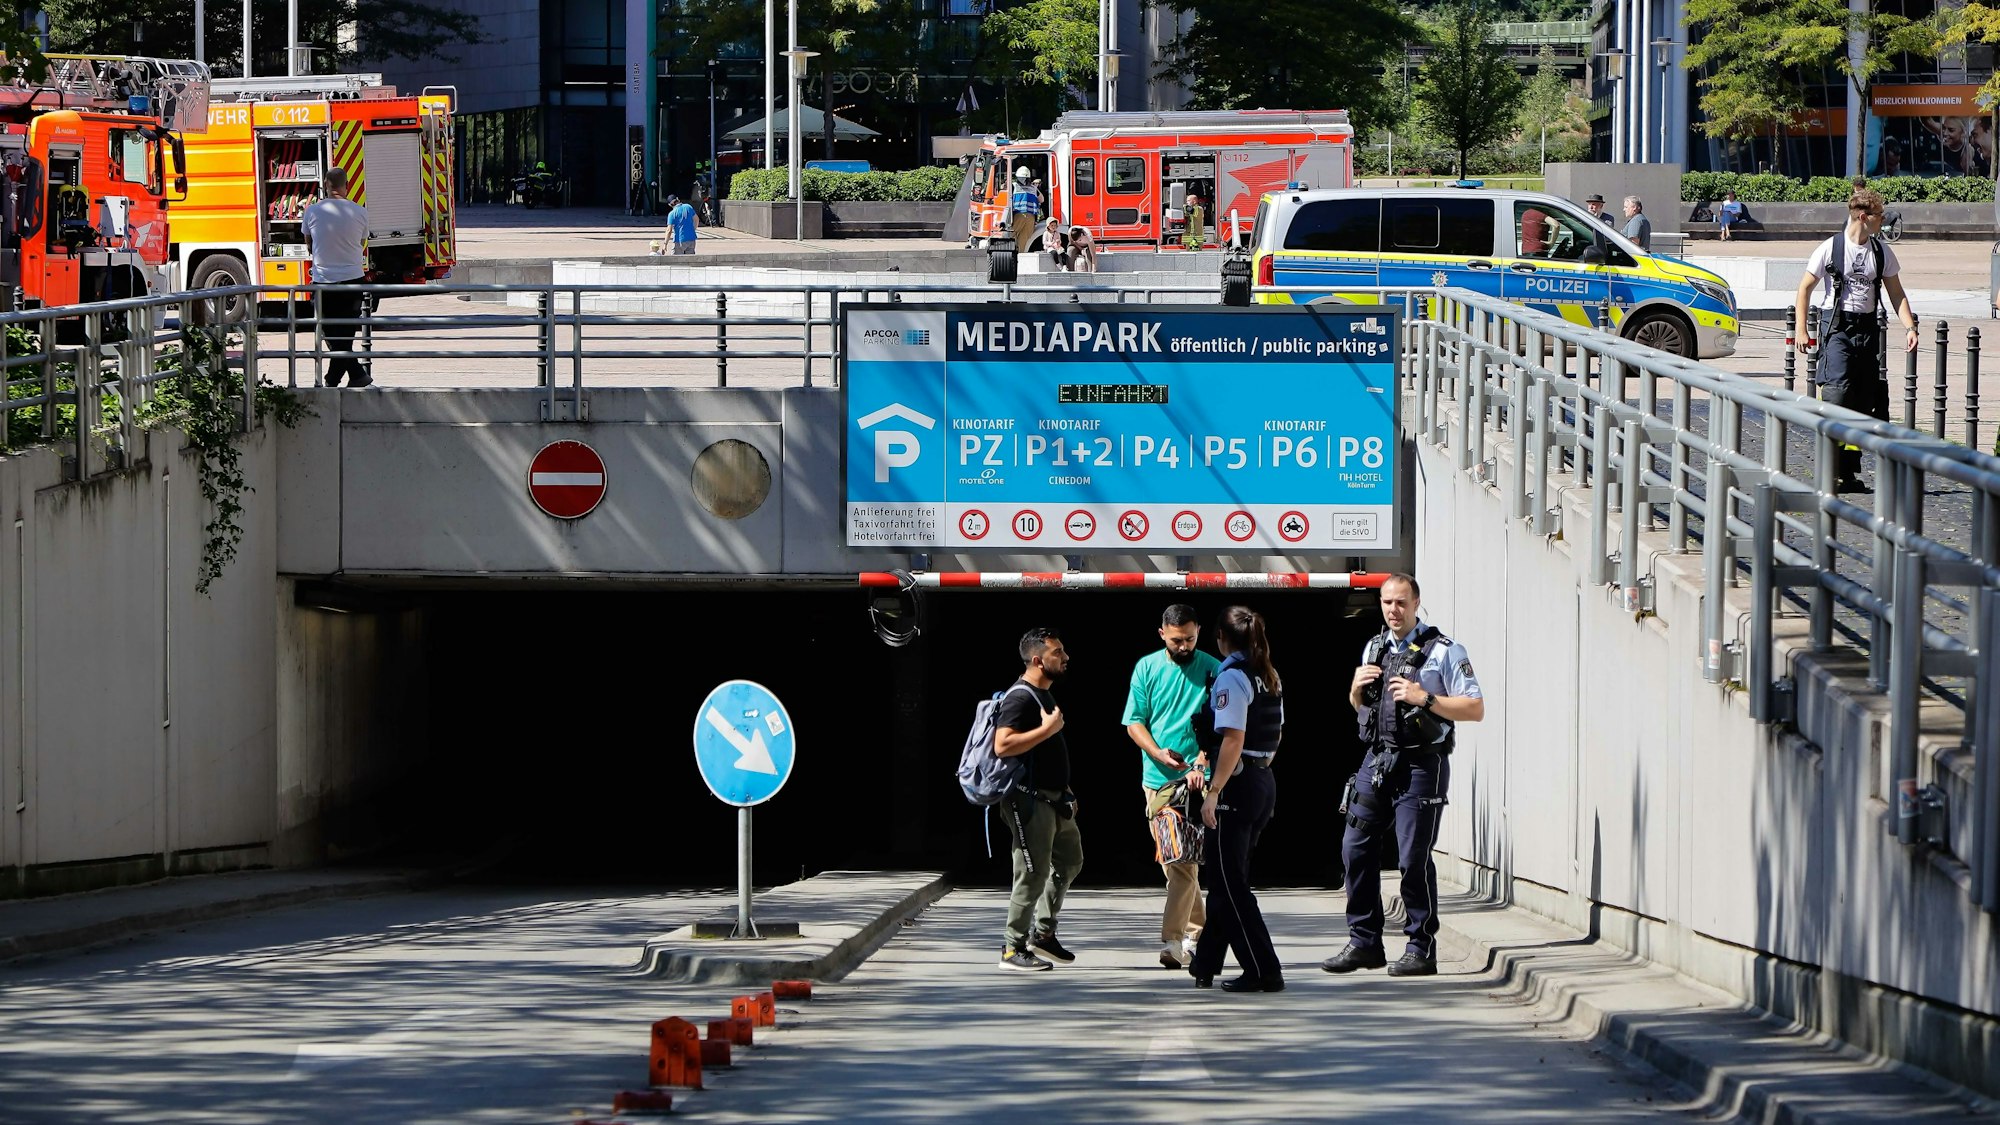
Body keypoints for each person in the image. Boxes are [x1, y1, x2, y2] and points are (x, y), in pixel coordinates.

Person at [1323, 573, 1484, 979]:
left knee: (1412, 857)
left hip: (1421, 764)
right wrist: (1355, 690)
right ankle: (1364, 942)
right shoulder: (1374, 647)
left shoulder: (1445, 651)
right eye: (1386, 602)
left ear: (1416, 604)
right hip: (1376, 760)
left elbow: (1474, 707)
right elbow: (1360, 707)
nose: (1393, 610)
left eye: (1400, 603)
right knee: (1353, 848)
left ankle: (1420, 946)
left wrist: (1424, 698)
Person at [1792, 189, 1920, 492]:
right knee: (1837, 394)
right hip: (1836, 327)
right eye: (1879, 216)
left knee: (1862, 402)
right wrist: (1801, 330)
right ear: (1864, 217)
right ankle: (1829, 468)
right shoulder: (1831, 248)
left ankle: (1848, 471)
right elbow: (1804, 288)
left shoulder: (1880, 251)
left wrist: (1910, 326)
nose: (1883, 222)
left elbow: (1896, 292)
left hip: (1867, 328)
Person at [1187, 606, 1286, 994]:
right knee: (1229, 879)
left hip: (1236, 786)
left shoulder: (1232, 676)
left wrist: (1213, 792)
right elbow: (1273, 738)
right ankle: (1206, 963)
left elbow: (1232, 738)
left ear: (1221, 639)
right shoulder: (1269, 675)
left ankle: (1265, 970)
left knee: (1230, 886)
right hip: (1262, 781)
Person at [1122, 605, 1222, 970]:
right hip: (1158, 784)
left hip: (1200, 783)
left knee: (1181, 864)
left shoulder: (1213, 668)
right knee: (1177, 864)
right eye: (1177, 640)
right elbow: (1134, 722)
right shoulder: (1146, 668)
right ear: (1162, 633)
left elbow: (1224, 727)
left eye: (1191, 639)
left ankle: (1173, 940)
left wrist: (1201, 761)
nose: (1184, 646)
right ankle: (1200, 931)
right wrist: (1158, 753)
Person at [993, 627, 1084, 972]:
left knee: (1071, 861)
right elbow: (1002, 745)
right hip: (1029, 802)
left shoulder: (1043, 694)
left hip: (1055, 801)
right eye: (1057, 652)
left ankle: (1042, 935)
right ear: (1037, 659)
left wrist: (1066, 791)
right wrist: (1047, 730)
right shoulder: (1020, 697)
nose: (1065, 657)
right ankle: (1011, 948)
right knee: (1031, 873)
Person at [300, 166, 372, 389]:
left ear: (325, 185)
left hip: (324, 281)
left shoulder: (311, 211)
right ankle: (354, 375)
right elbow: (361, 243)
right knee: (346, 334)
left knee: (331, 332)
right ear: (347, 185)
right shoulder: (360, 212)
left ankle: (335, 380)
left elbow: (309, 244)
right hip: (353, 280)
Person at [1010, 166, 1041, 255]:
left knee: (1012, 236)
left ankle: (1012, 256)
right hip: (1031, 217)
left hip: (1019, 215)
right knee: (1023, 240)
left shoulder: (1014, 186)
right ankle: (1020, 258)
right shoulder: (1034, 188)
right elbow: (1042, 199)